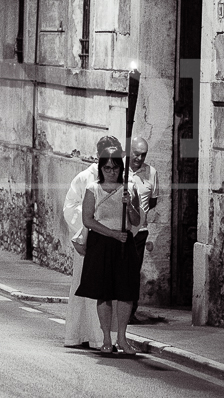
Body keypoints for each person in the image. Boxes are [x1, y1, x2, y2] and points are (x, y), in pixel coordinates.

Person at [75, 147, 141, 355]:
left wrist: (130, 205)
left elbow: (136, 220)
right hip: (101, 243)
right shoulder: (93, 189)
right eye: (107, 168)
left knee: (125, 292)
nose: (111, 172)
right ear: (101, 169)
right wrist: (112, 234)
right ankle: (105, 339)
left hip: (124, 243)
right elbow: (88, 220)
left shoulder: (129, 188)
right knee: (104, 292)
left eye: (115, 168)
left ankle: (122, 338)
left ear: (121, 168)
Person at [62, 135, 120, 348]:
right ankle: (80, 335)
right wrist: (87, 224)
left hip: (111, 241)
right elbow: (70, 207)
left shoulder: (121, 179)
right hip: (89, 240)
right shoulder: (85, 177)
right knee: (85, 288)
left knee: (107, 290)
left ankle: (104, 337)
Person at [128, 137, 160, 323]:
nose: (139, 158)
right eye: (136, 154)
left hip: (140, 232)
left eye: (143, 155)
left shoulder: (151, 173)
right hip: (119, 229)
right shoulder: (118, 170)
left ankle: (130, 311)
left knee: (133, 272)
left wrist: (142, 214)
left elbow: (153, 201)